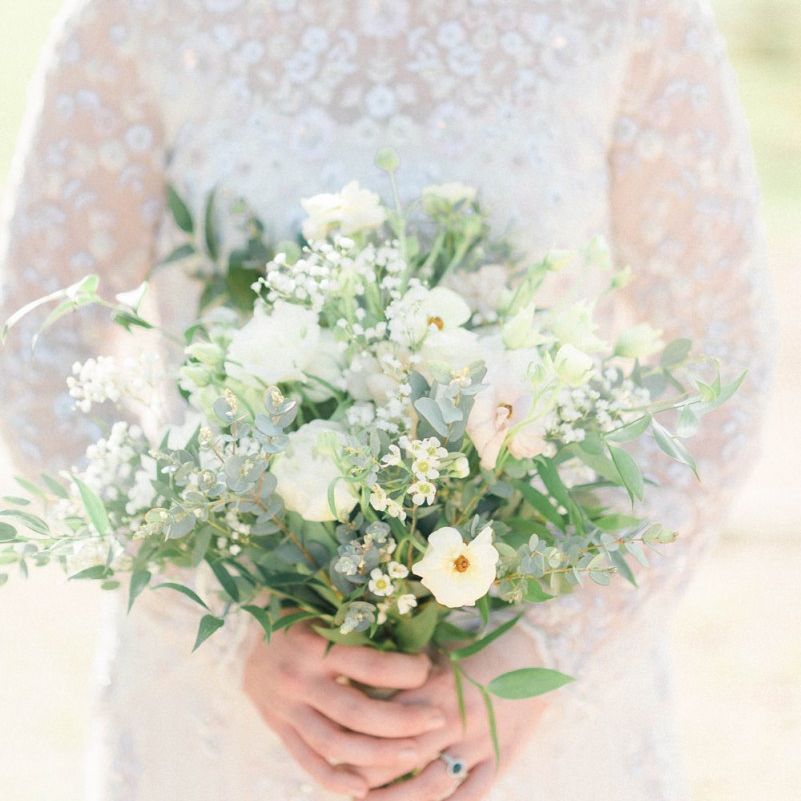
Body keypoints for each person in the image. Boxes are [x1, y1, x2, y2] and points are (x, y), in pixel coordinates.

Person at [0, 1, 773, 799]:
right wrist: (227, 627)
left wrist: (544, 647)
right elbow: (35, 345)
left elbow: (716, 359)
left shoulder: (630, 15)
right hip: (230, 717)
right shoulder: (142, 17)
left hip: (531, 720)